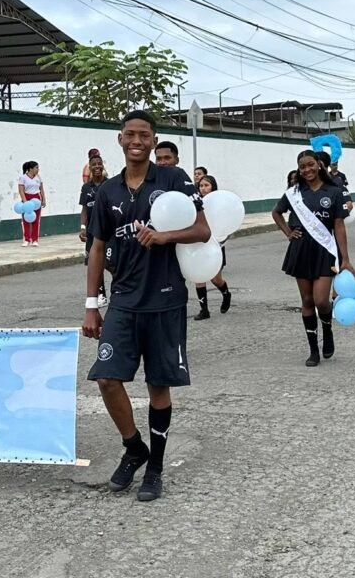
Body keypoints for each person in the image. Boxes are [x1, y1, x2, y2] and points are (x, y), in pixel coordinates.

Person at [83, 110, 211, 502]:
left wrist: (164, 236)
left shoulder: (173, 179)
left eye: (145, 135)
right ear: (120, 140)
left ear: (154, 142)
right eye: (129, 134)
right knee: (106, 378)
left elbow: (203, 229)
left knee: (158, 387)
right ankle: (134, 447)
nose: (136, 140)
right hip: (123, 299)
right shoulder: (108, 191)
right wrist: (92, 303)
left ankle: (155, 467)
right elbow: (98, 247)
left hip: (166, 300)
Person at [272, 150, 355, 367]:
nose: (307, 170)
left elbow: (339, 226)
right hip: (301, 250)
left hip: (325, 250)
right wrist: (288, 233)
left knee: (321, 300)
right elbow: (277, 212)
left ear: (318, 165)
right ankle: (313, 350)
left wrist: (345, 258)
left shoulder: (334, 191)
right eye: (302, 167)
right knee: (307, 301)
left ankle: (327, 328)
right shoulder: (294, 193)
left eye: (310, 165)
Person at [192, 174, 232, 321]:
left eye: (206, 185)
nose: (203, 189)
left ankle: (226, 294)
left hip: (215, 244)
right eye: (201, 186)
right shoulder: (195, 202)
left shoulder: (219, 203)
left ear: (213, 187)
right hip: (198, 243)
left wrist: (221, 238)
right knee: (198, 276)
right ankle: (204, 310)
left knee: (216, 279)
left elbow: (227, 224)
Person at [80, 153, 109, 307]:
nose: (97, 167)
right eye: (94, 165)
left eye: (99, 164)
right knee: (95, 263)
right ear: (90, 168)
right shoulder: (86, 188)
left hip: (109, 231)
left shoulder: (110, 185)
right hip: (93, 232)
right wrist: (83, 227)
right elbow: (84, 209)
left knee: (113, 263)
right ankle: (101, 294)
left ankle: (121, 291)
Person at [18, 160, 46, 247]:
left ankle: (35, 239)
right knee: (26, 219)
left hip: (36, 199)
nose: (38, 169)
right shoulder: (23, 178)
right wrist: (25, 201)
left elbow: (41, 189)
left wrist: (43, 199)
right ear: (30, 169)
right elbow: (21, 190)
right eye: (36, 168)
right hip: (27, 197)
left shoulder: (38, 177)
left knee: (36, 219)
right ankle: (26, 239)